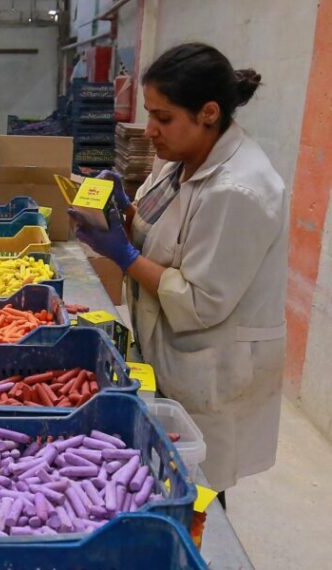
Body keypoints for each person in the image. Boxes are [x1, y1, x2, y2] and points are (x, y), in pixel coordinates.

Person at [72, 43, 286, 504]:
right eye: (150, 114)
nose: (149, 130)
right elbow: (156, 232)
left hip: (212, 364)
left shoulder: (238, 190)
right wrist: (118, 213)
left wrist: (124, 256)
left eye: (163, 118)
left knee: (199, 485)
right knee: (166, 470)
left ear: (208, 112)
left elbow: (200, 301)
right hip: (168, 348)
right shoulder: (180, 161)